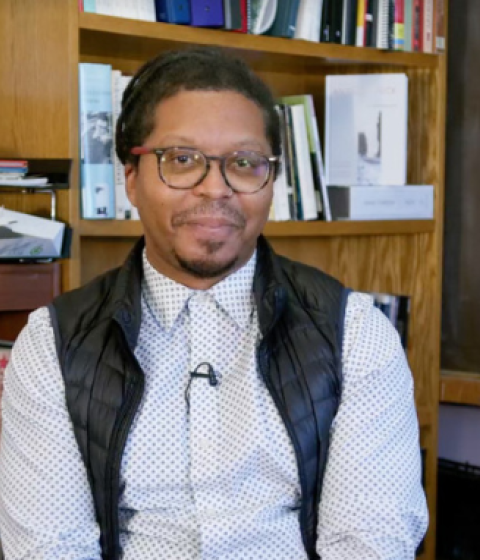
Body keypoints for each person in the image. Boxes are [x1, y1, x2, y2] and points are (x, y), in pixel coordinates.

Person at [0, 47, 428, 559]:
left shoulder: (354, 333)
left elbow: (371, 542)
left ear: (271, 180)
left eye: (244, 164)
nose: (216, 188)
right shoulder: (53, 344)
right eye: (182, 161)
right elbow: (49, 549)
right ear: (130, 179)